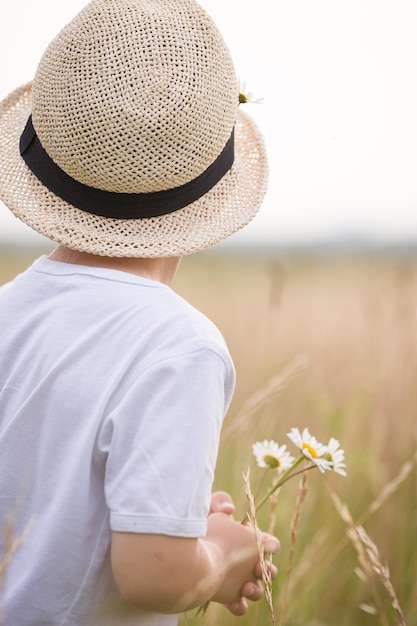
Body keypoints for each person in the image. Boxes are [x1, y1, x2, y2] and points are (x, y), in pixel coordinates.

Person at [0, 0, 279, 624]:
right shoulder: (180, 347)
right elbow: (154, 576)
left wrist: (171, 522)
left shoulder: (7, 310)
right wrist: (219, 556)